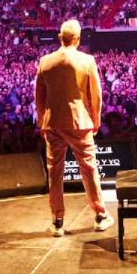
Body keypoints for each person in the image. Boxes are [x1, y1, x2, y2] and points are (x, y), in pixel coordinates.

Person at [34, 18, 113, 236]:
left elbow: (39, 96)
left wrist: (42, 121)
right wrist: (96, 120)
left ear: (60, 37)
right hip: (79, 122)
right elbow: (95, 95)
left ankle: (57, 221)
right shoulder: (86, 61)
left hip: (52, 123)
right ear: (77, 38)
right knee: (88, 169)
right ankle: (99, 215)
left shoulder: (45, 61)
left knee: (55, 172)